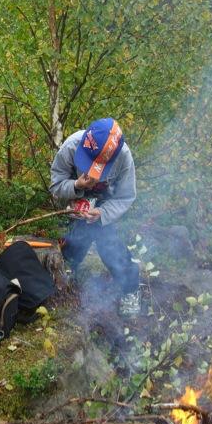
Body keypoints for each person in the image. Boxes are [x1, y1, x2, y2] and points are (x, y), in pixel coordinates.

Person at [49, 117, 140, 317]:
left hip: (105, 204)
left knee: (107, 241)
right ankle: (67, 274)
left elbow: (125, 197)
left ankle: (130, 289)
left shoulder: (123, 158)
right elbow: (56, 186)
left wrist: (103, 213)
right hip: (75, 200)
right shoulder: (71, 146)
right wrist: (77, 186)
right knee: (76, 236)